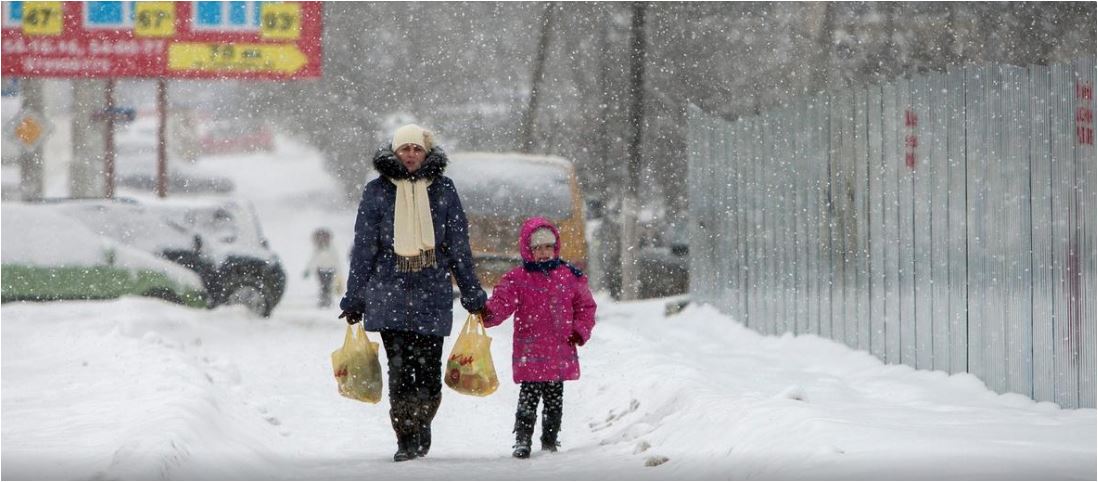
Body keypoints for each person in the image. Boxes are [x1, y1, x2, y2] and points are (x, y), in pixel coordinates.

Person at [338, 124, 487, 462]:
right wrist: (355, 296)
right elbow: (364, 247)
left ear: (425, 152)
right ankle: (406, 436)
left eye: (416, 149)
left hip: (432, 292)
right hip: (388, 292)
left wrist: (472, 292)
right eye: (404, 149)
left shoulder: (444, 190)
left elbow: (458, 246)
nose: (410, 155)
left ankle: (423, 424)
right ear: (394, 152)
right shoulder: (376, 191)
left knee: (430, 371)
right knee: (400, 370)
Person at [482, 217, 597, 458]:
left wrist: (580, 330)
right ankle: (522, 439)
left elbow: (586, 307)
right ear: (528, 250)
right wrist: (487, 313)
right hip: (531, 350)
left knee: (554, 399)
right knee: (529, 397)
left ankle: (550, 440)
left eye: (547, 247)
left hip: (559, 348)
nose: (543, 253)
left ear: (555, 248)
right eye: (537, 248)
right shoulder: (518, 279)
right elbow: (502, 303)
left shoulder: (569, 276)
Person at [303, 228, 342, 308]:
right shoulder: (318, 248)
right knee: (323, 285)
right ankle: (324, 301)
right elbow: (313, 259)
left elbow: (337, 261)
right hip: (320, 270)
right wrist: (308, 269)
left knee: (327, 286)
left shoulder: (332, 248)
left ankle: (327, 301)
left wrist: (339, 273)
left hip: (330, 270)